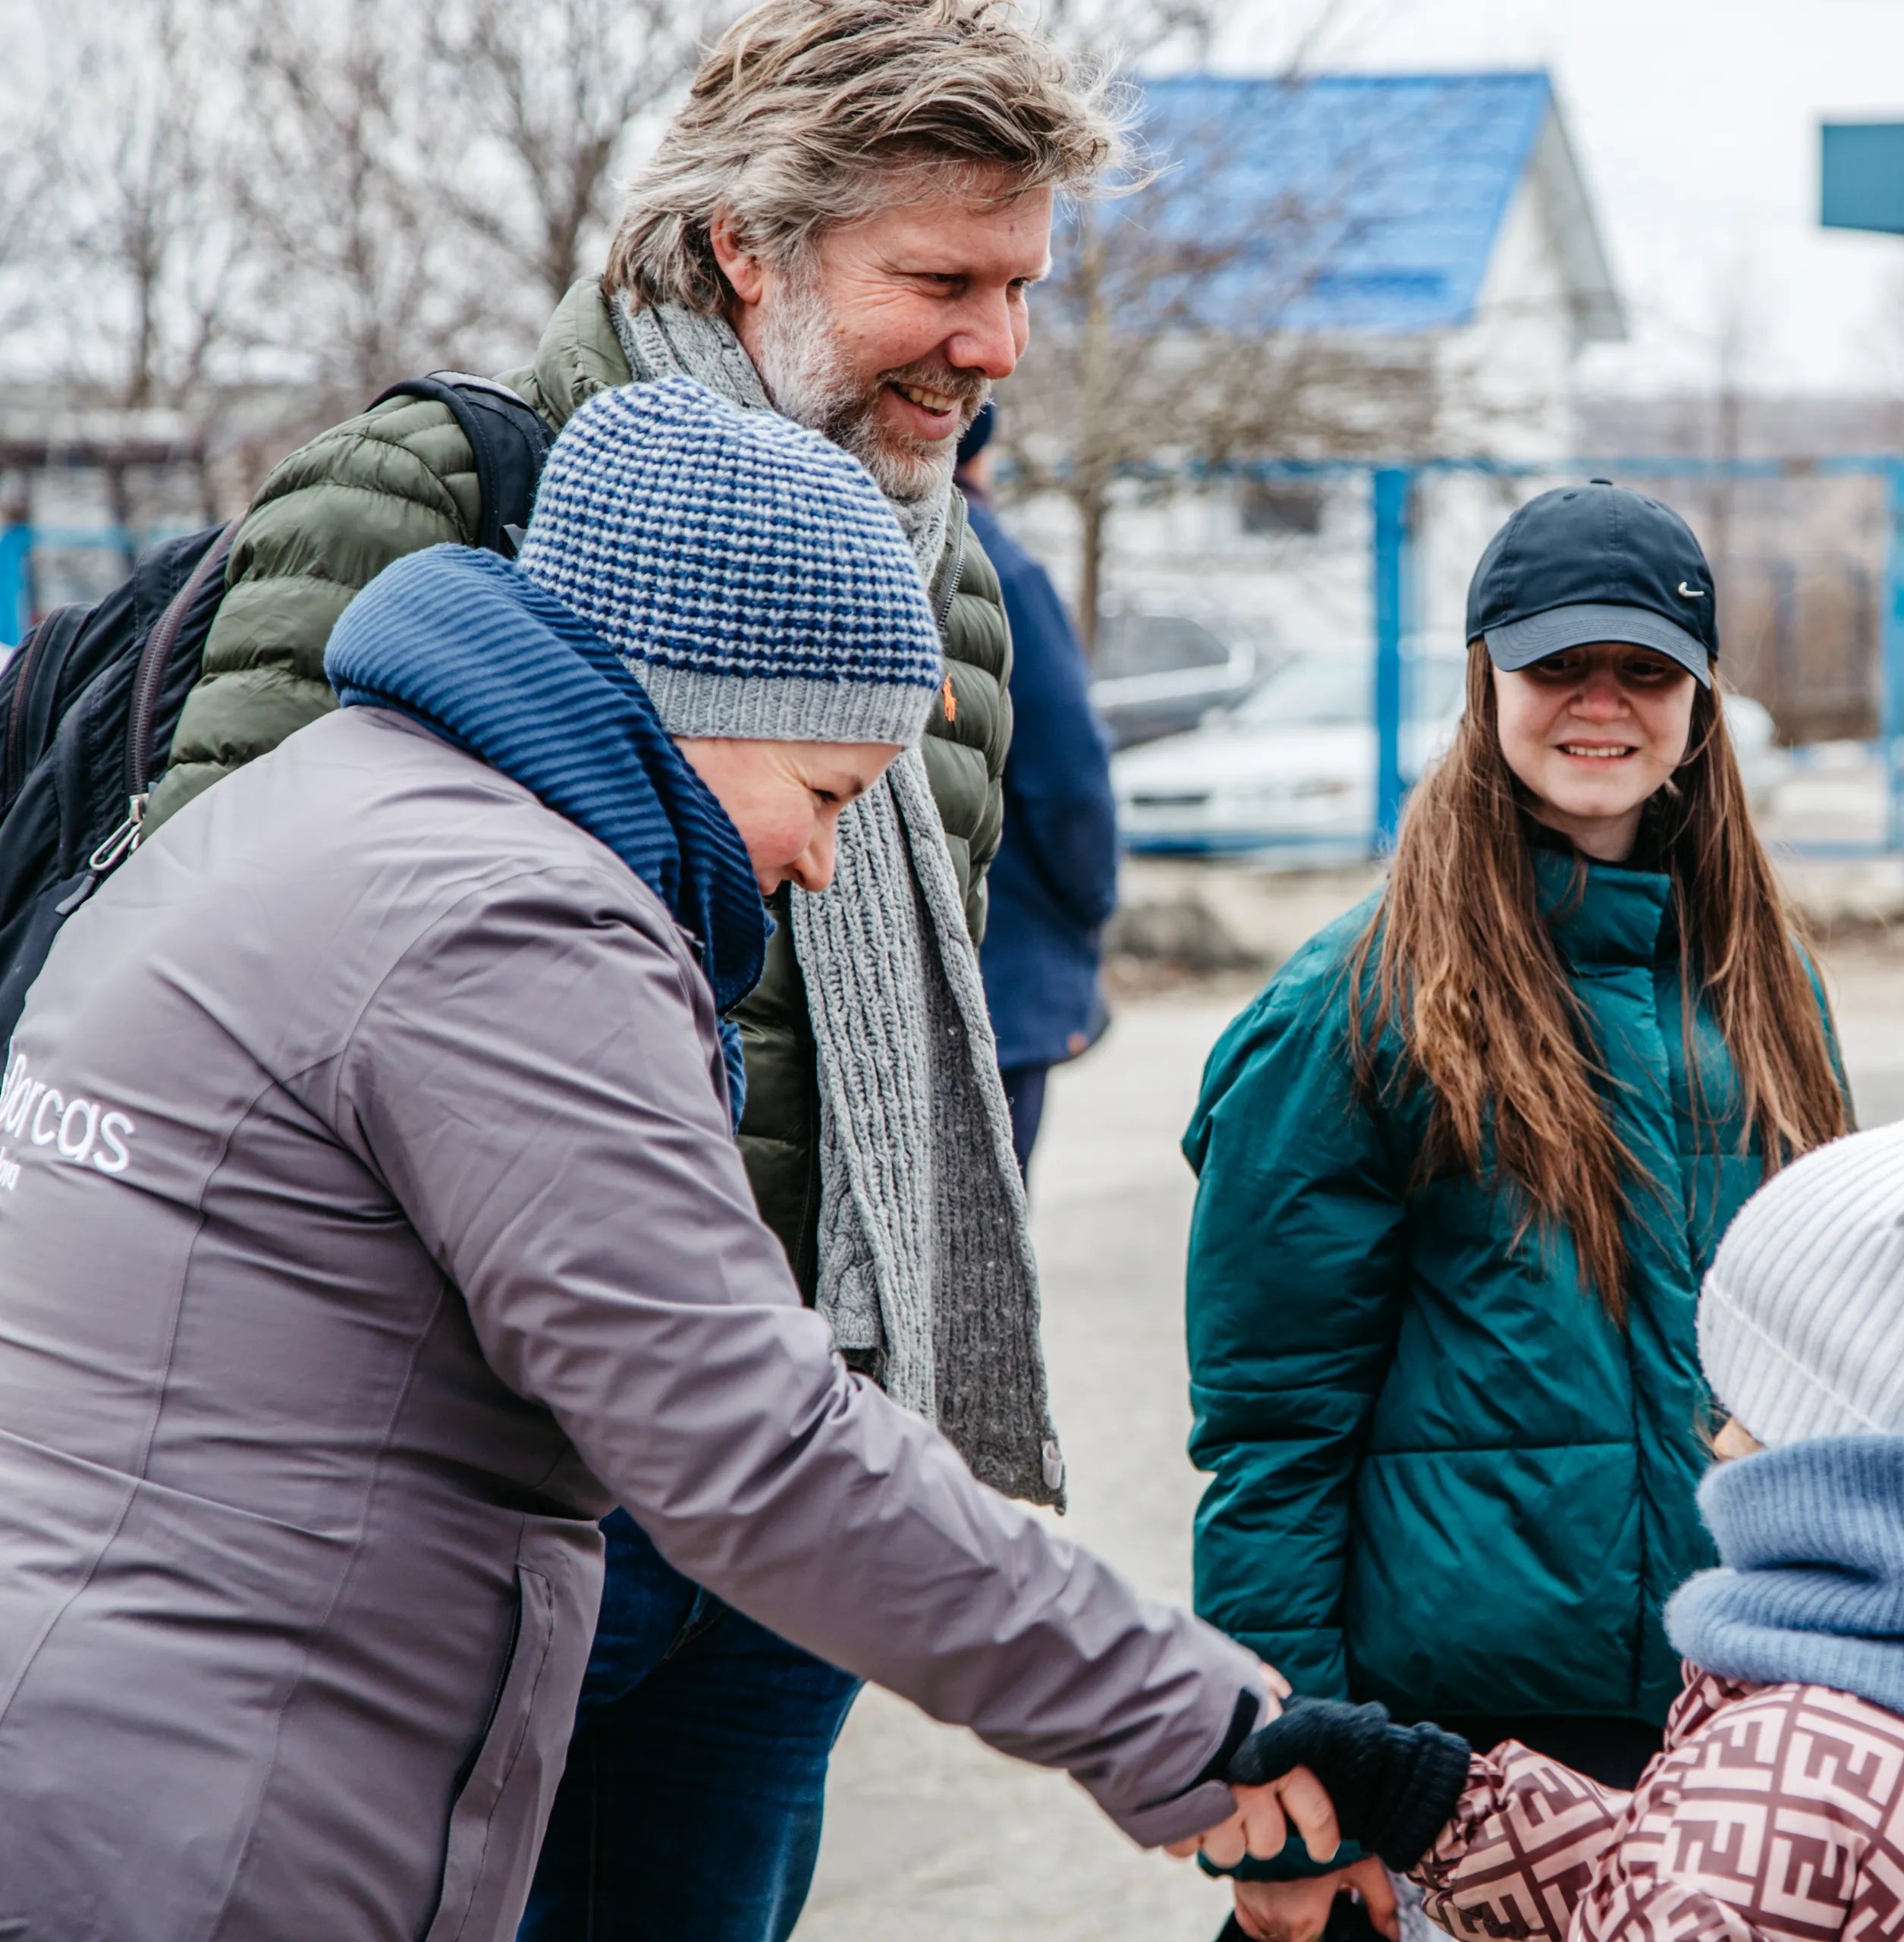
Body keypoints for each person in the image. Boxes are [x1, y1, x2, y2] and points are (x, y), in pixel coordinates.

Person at [0, 381, 1339, 1938]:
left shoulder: (314, 806)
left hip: (103, 1749)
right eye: (827, 789)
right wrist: (1188, 1715)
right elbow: (747, 1440)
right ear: (702, 692)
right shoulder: (508, 917)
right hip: (208, 1831)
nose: (823, 859)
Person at [138, 3, 1116, 1928]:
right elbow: (227, 995)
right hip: (472, 1494)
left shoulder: (958, 590)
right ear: (747, 247)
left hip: (795, 1484)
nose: (993, 349)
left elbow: (901, 1067)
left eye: (1020, 287)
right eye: (941, 279)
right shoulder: (433, 496)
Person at [1184, 482, 1852, 1940]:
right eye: (1560, 667)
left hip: (1730, 1719)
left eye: (1645, 671)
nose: (1600, 705)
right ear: (1484, 676)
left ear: (1701, 698)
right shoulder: (1354, 1010)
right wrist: (1289, 1794)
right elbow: (1272, 1436)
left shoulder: (1770, 992)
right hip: (1453, 1756)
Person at [1216, 1110, 1904, 1941]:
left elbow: (1719, 1870)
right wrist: (1435, 1801)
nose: (1719, 1438)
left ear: (1848, 1457)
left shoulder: (1777, 1771)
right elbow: (1729, 1884)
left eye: (1752, 1405)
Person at [957, 398, 1118, 1170]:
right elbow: (1069, 776)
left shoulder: (843, 535)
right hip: (1006, 969)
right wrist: (1092, 905)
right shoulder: (1003, 572)